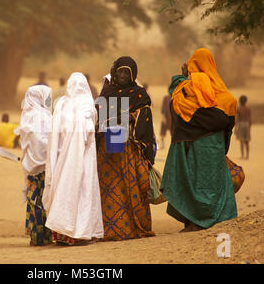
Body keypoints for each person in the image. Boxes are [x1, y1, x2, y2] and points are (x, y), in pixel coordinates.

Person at [161, 48, 238, 232]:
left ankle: (195, 221)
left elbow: (175, 99)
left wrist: (184, 77)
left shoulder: (186, 90)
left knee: (193, 182)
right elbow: (228, 119)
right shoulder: (223, 92)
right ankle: (220, 217)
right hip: (215, 145)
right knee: (215, 182)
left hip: (194, 145)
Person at [96, 56, 156, 241]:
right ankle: (110, 229)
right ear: (114, 72)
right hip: (108, 146)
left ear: (133, 75)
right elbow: (99, 116)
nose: (122, 75)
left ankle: (133, 227)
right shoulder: (106, 92)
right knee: (109, 187)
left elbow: (145, 115)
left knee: (131, 184)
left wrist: (130, 117)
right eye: (120, 71)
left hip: (129, 146)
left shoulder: (139, 94)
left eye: (126, 72)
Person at [42, 72, 104, 245]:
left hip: (61, 157)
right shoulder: (87, 107)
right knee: (83, 194)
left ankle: (62, 235)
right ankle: (81, 233)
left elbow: (55, 133)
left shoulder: (61, 104)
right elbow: (89, 133)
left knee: (64, 192)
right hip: (84, 159)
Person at [14, 85, 53, 246]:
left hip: (30, 166)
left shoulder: (28, 114)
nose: (50, 101)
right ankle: (43, 236)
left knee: (34, 200)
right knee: (45, 200)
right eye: (47, 97)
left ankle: (36, 236)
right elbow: (42, 142)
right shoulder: (42, 116)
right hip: (43, 165)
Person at [235, 95, 251, 159]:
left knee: (241, 140)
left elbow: (237, 119)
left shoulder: (238, 109)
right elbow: (250, 118)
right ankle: (247, 155)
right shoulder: (248, 109)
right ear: (246, 101)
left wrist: (236, 127)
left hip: (241, 124)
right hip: (247, 124)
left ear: (239, 101)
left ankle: (242, 155)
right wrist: (250, 126)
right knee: (247, 141)